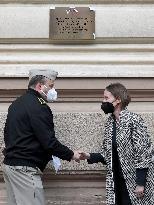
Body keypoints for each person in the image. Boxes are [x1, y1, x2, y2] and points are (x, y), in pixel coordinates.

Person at [2, 69, 81, 205]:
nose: (53, 90)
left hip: (11, 167)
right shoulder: (39, 106)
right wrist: (71, 154)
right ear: (40, 86)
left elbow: (7, 134)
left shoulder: (16, 103)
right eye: (51, 86)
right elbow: (48, 142)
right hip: (25, 170)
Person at [80, 83, 153, 205]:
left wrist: (140, 183)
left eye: (106, 98)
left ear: (118, 99)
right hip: (116, 182)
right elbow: (108, 155)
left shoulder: (134, 120)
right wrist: (88, 156)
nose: (103, 101)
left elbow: (144, 153)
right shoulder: (110, 123)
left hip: (134, 182)